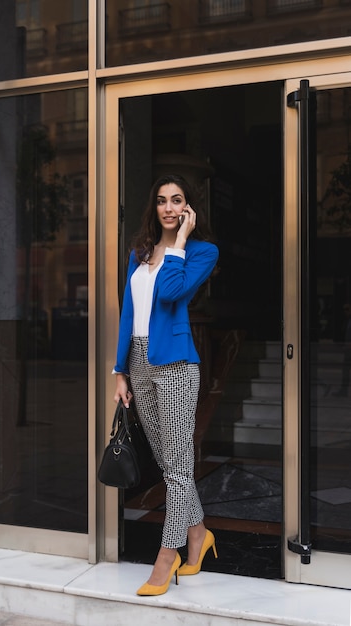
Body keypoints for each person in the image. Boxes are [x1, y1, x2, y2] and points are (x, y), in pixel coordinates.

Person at [113, 173, 219, 596]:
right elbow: (127, 313)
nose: (169, 208)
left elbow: (173, 293)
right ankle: (199, 533)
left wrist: (177, 244)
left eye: (178, 201)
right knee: (169, 463)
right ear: (154, 208)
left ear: (189, 208)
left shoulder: (202, 251)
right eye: (162, 201)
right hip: (138, 362)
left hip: (175, 365)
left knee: (177, 468)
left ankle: (167, 554)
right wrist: (120, 370)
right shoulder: (139, 252)